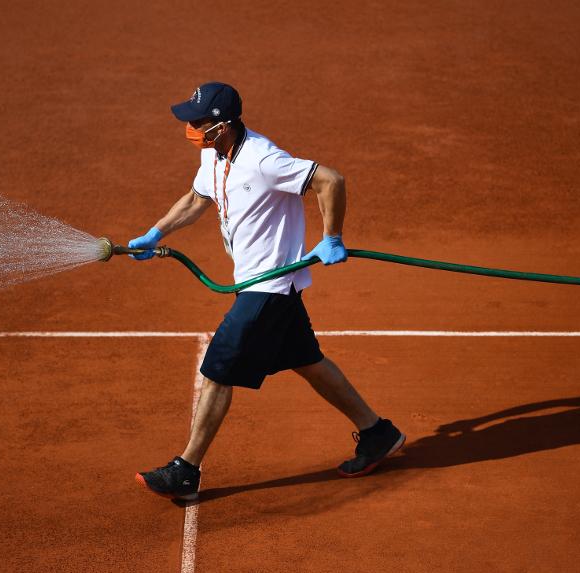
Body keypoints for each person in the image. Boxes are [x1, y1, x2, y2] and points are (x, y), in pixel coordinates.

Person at [130, 82, 404, 501]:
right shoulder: (214, 154)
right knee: (306, 360)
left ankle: (186, 469)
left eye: (198, 120)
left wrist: (332, 237)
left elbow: (330, 180)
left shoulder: (263, 159)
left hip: (269, 285)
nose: (190, 126)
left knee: (218, 369)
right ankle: (377, 432)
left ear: (222, 125)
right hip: (261, 285)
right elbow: (195, 199)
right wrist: (156, 233)